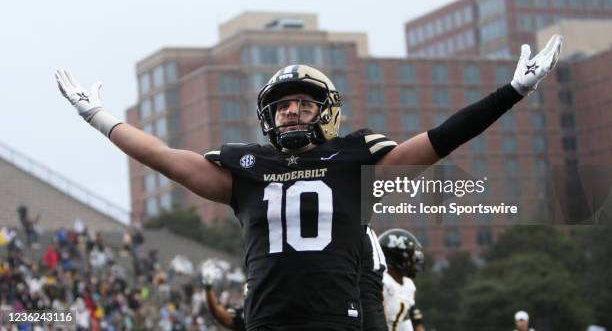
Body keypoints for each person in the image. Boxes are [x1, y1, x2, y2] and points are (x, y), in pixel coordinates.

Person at [56, 35, 563, 330]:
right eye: (282, 105)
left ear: (326, 111)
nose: (291, 111)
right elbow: (166, 158)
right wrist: (100, 118)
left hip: (336, 320)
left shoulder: (352, 160)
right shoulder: (247, 170)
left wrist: (511, 92)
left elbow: (435, 141)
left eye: (302, 103)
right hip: (266, 320)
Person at [377, 229, 425, 331]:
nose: (414, 259)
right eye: (410, 255)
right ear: (397, 257)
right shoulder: (382, 282)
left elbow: (410, 319)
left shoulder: (408, 285)